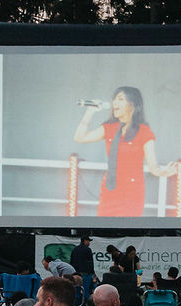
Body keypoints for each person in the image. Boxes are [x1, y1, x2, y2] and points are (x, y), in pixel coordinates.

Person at [72, 86, 174, 218]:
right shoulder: (109, 128)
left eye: (120, 99)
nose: (114, 103)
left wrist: (162, 172)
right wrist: (90, 112)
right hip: (109, 190)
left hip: (131, 192)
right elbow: (80, 137)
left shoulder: (144, 131)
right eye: (114, 99)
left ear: (132, 104)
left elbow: (153, 165)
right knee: (104, 230)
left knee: (127, 231)